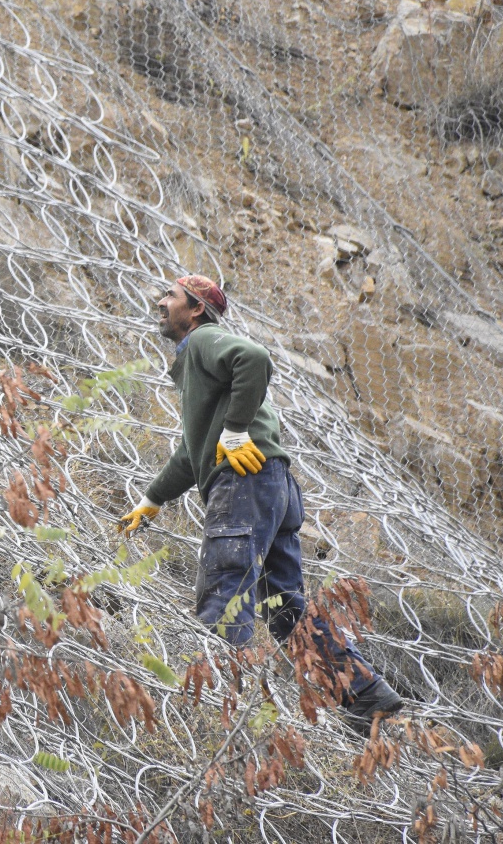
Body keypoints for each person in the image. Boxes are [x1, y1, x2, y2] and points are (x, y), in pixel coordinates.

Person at [119, 274, 404, 727]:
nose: (159, 302)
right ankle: (366, 697)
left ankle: (213, 711)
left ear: (195, 309)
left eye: (169, 296)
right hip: (273, 486)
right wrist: (152, 500)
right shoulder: (195, 364)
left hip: (244, 485)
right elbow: (192, 453)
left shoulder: (203, 340)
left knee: (225, 592)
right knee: (287, 610)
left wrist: (233, 432)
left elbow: (253, 357)